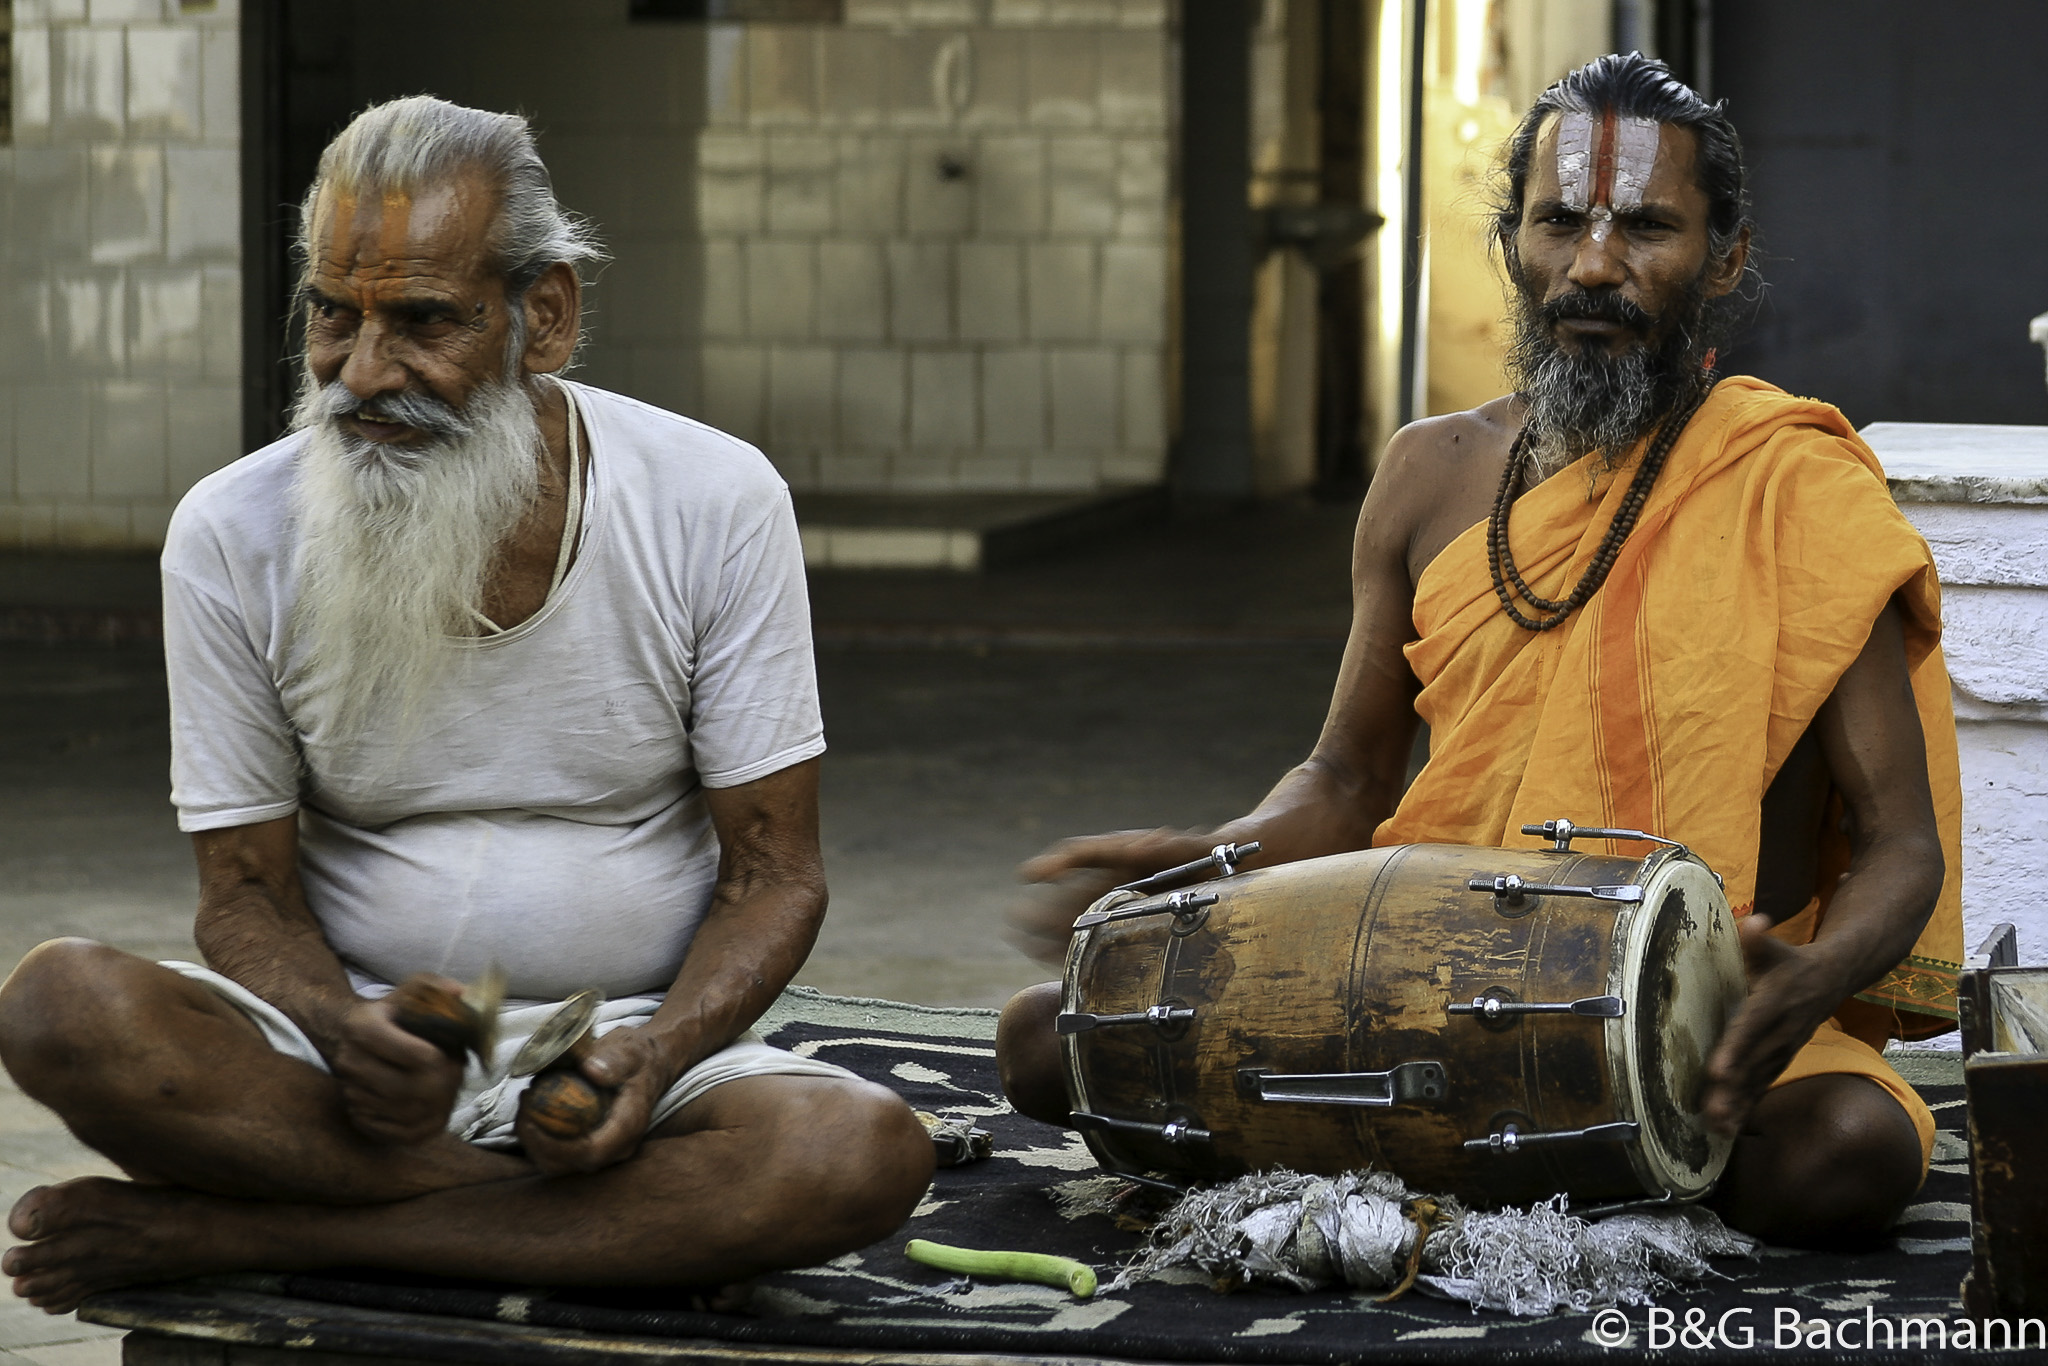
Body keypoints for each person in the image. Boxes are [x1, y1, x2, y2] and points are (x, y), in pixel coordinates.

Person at [996, 53, 1963, 1250]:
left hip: (1688, 1005)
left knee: (1843, 1151)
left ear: (1723, 258)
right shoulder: (1428, 470)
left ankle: (1409, 1151)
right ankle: (1526, 1152)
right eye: (1558, 222)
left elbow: (1898, 843)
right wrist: (1211, 856)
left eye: (1645, 227)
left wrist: (1812, 978)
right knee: (1041, 1040)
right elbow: (1345, 779)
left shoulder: (1791, 481)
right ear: (1510, 242)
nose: (1593, 266)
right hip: (1424, 972)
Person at [0, 97, 933, 1315]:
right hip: (341, 1066)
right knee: (58, 1006)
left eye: (424, 321)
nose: (362, 373)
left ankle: (252, 1230)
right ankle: (549, 1222)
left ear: (545, 317)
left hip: (629, 1046)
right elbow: (243, 895)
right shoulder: (231, 532)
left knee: (856, 1152)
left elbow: (774, 874)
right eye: (334, 314)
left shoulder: (712, 499)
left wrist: (652, 1055)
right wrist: (340, 1025)